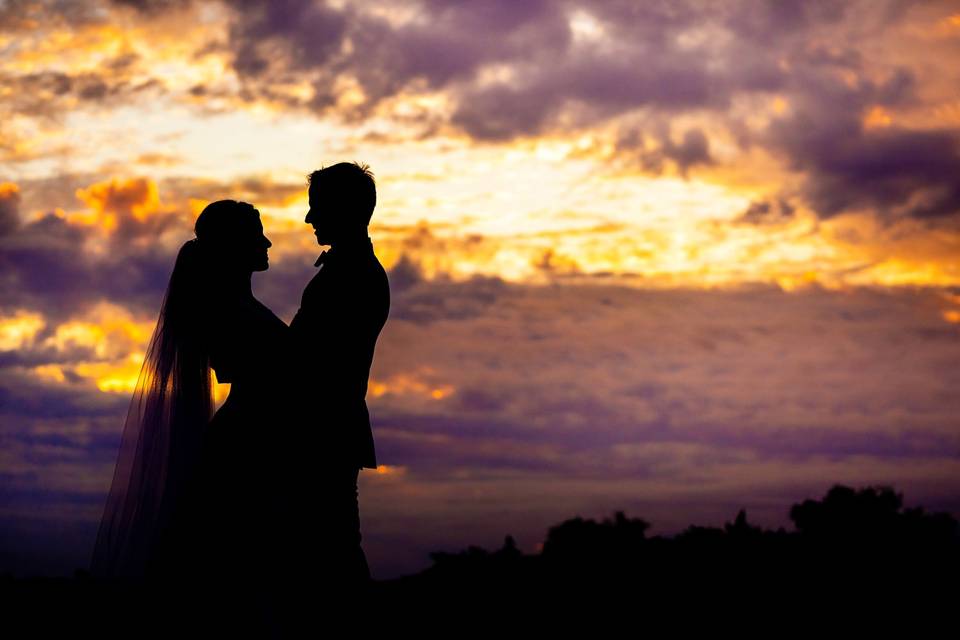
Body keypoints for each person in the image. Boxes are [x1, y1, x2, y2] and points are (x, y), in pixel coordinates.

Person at [89, 200, 289, 635]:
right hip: (249, 441)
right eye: (257, 234)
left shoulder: (233, 306)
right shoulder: (230, 312)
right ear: (234, 245)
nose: (267, 241)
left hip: (251, 434)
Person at [281, 161, 390, 607]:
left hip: (322, 433)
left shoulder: (353, 276)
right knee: (329, 553)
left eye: (316, 208)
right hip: (328, 432)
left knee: (333, 558)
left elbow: (308, 360)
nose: (309, 219)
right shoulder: (349, 270)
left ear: (344, 210)